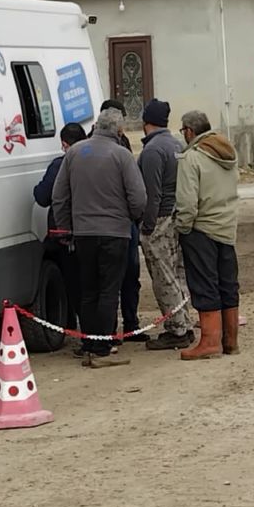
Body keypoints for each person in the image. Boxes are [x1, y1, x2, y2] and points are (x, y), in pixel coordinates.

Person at [53, 108, 147, 367]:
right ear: (118, 130)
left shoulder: (73, 153)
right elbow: (138, 198)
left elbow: (59, 195)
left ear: (96, 126)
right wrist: (132, 219)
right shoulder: (122, 155)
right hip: (115, 232)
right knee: (109, 289)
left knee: (88, 289)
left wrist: (65, 227)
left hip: (83, 233)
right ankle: (103, 348)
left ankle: (88, 343)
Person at [173, 111, 241, 360]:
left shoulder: (192, 158)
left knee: (204, 284)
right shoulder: (228, 152)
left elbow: (188, 201)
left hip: (201, 230)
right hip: (226, 228)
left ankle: (210, 342)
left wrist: (182, 226)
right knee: (227, 284)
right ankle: (230, 341)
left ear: (189, 131)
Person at [135, 99, 199, 350]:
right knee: (177, 273)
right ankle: (184, 323)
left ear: (145, 122)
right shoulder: (176, 144)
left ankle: (177, 330)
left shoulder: (152, 151)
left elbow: (152, 194)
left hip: (160, 219)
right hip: (176, 216)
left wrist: (147, 226)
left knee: (163, 276)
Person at [92, 99, 145, 343]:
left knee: (128, 275)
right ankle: (109, 330)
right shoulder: (97, 146)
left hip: (115, 222)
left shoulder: (120, 144)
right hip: (118, 221)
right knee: (111, 279)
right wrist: (135, 216)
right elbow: (135, 192)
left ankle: (130, 323)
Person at [33, 122, 88, 330]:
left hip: (68, 236)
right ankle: (103, 334)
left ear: (64, 144)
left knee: (74, 283)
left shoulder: (60, 165)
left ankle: (80, 331)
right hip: (101, 231)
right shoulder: (106, 158)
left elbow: (43, 196)